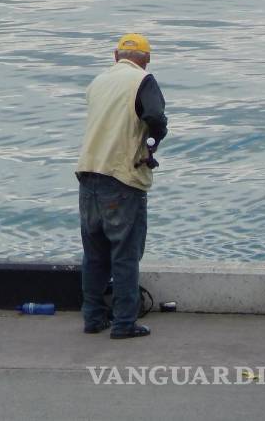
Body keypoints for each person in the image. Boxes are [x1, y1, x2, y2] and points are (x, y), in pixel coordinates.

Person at [76, 33, 168, 339]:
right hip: (122, 177)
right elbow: (155, 115)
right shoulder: (144, 80)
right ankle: (124, 322)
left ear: (116, 57)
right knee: (125, 252)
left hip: (89, 172)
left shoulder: (97, 82)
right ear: (147, 59)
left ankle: (92, 317)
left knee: (95, 252)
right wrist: (153, 139)